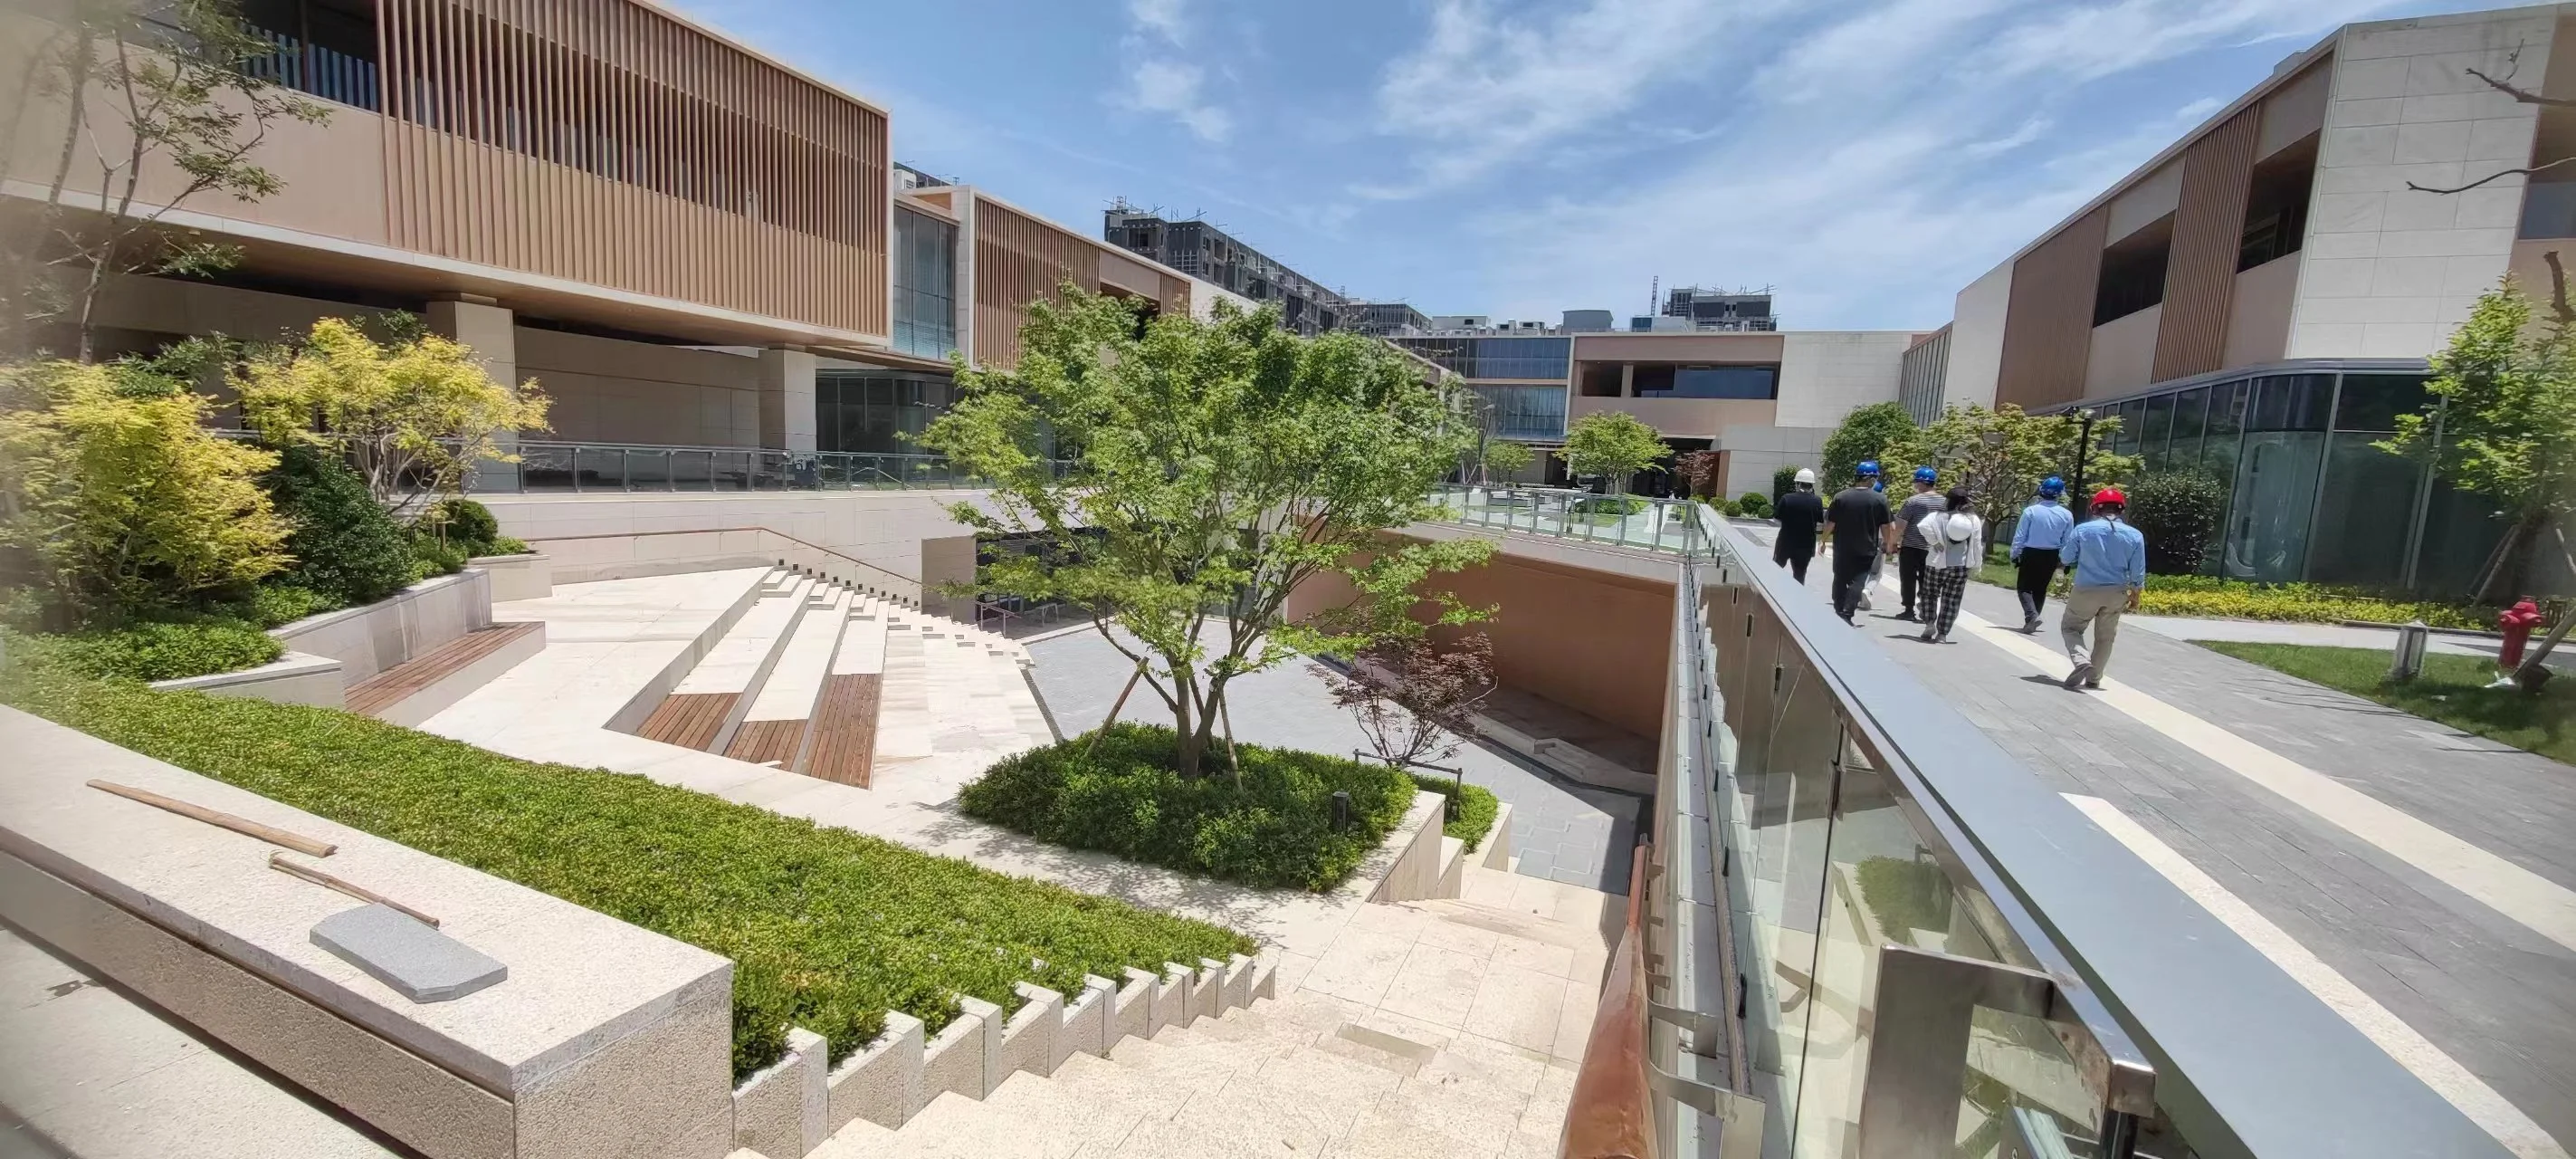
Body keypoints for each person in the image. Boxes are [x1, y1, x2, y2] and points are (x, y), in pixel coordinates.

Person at [2059, 486, 2147, 691]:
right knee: (2106, 636)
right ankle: (2094, 677)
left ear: (2095, 509)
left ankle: (2081, 659)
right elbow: (2138, 570)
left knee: (2071, 628)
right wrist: (2135, 595)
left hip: (2086, 589)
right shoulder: (2135, 535)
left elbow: (2066, 558)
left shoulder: (2082, 530)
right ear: (2121, 510)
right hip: (2116, 591)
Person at [1821, 461, 1895, 624]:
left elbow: (1831, 523)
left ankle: (1839, 607)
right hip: (1867, 547)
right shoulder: (1880, 499)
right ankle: (1847, 612)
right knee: (1859, 580)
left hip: (1842, 547)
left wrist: (1823, 540)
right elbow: (1885, 525)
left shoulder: (1841, 497)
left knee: (1840, 578)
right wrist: (1888, 544)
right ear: (1872, 479)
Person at [1914, 487, 1982, 644]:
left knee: (1929, 594)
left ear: (1948, 500)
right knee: (1952, 599)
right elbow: (1977, 544)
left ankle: (1930, 623)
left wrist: (1935, 542)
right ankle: (1943, 634)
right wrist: (1977, 564)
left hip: (1936, 563)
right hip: (1960, 566)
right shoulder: (1973, 520)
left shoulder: (1937, 516)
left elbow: (1922, 526)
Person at [2010, 476, 2075, 633]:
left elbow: (2020, 535)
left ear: (2041, 491)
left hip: (2031, 552)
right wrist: (2065, 560)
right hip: (2051, 554)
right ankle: (2033, 618)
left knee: (2024, 587)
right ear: (2060, 494)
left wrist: (2015, 553)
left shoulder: (2031, 511)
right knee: (2040, 588)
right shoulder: (2066, 515)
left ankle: (2032, 616)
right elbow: (2068, 540)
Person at [1894, 466, 1944, 623]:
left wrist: (1893, 542)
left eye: (1917, 483)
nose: (1916, 486)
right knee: (1928, 579)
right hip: (1934, 548)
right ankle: (1925, 606)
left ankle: (1909, 609)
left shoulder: (1913, 501)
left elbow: (1901, 524)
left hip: (1911, 546)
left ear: (1922, 483)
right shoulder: (1945, 502)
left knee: (1908, 579)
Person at [1771, 467, 1826, 583]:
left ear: (1798, 483)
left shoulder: (1787, 498)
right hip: (1806, 545)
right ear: (1812, 485)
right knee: (1800, 575)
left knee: (1775, 570)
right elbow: (1820, 521)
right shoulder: (1817, 501)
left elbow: (1777, 519)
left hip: (1785, 542)